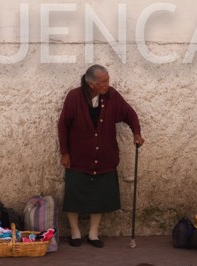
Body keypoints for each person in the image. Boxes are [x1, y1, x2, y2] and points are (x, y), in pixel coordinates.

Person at [58, 64, 145, 248]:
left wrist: (136, 133)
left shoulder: (112, 96)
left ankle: (93, 233)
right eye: (103, 82)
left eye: (108, 80)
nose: (107, 84)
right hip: (78, 158)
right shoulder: (74, 97)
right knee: (74, 195)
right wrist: (65, 152)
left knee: (99, 195)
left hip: (105, 157)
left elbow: (130, 114)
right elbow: (63, 125)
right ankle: (75, 232)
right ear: (91, 84)